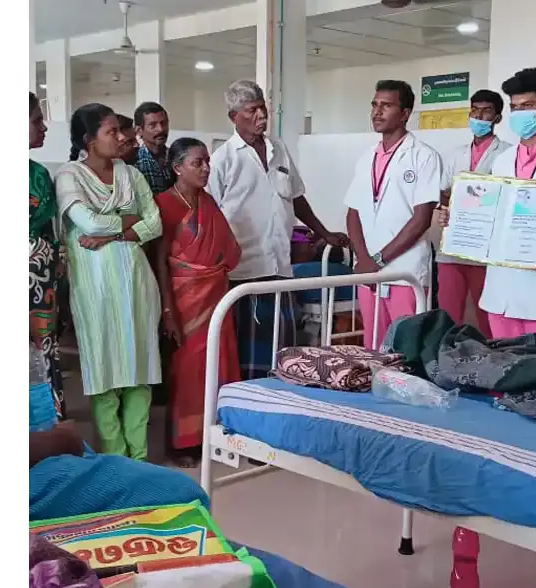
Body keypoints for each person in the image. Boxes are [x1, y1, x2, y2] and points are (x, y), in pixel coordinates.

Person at [208, 80, 349, 378]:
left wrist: (324, 233)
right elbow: (211, 214)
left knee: (282, 349)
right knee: (248, 355)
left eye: (263, 108)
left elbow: (296, 197)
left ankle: (278, 398)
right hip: (243, 271)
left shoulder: (279, 149)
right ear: (234, 116)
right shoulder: (223, 159)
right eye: (252, 110)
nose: (261, 115)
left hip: (279, 266)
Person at [55, 104, 164, 459]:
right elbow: (88, 223)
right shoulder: (70, 176)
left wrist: (113, 234)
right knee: (103, 373)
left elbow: (155, 224)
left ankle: (139, 459)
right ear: (90, 140)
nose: (121, 137)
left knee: (139, 371)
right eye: (111, 131)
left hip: (136, 284)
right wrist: (128, 221)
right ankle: (115, 461)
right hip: (95, 289)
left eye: (120, 130)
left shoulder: (130, 174)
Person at [153, 138, 242, 466]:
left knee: (219, 362)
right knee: (187, 371)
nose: (206, 168)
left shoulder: (208, 202)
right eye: (197, 163)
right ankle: (182, 443)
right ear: (177, 168)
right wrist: (167, 310)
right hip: (184, 300)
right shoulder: (164, 204)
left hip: (216, 296)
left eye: (207, 162)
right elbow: (160, 261)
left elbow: (228, 248)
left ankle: (214, 434)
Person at [476, 66, 536, 339]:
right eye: (514, 107)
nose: (518, 113)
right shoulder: (502, 161)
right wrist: (459, 220)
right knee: (502, 361)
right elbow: (493, 214)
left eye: (527, 106)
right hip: (499, 288)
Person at [344, 80, 442, 345]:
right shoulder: (367, 157)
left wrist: (378, 260)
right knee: (373, 344)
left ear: (405, 113)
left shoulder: (424, 156)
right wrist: (364, 259)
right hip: (368, 273)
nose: (377, 112)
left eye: (386, 106)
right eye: (374, 105)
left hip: (404, 271)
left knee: (405, 347)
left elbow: (421, 219)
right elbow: (353, 213)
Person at [434, 88, 507, 336]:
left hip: (485, 248)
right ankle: (445, 354)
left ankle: (491, 354)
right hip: (453, 244)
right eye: (475, 110)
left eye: (486, 111)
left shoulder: (506, 154)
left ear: (497, 117)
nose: (479, 116)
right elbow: (443, 191)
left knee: (487, 313)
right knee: (448, 313)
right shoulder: (455, 153)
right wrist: (449, 207)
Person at [29, 94, 66, 417]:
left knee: (43, 351)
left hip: (41, 287)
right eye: (36, 120)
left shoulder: (38, 175)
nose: (44, 127)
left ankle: (47, 421)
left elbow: (50, 232)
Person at [133, 100, 175, 195]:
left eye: (163, 123)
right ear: (139, 130)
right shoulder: (133, 162)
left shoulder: (177, 157)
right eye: (153, 125)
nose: (160, 129)